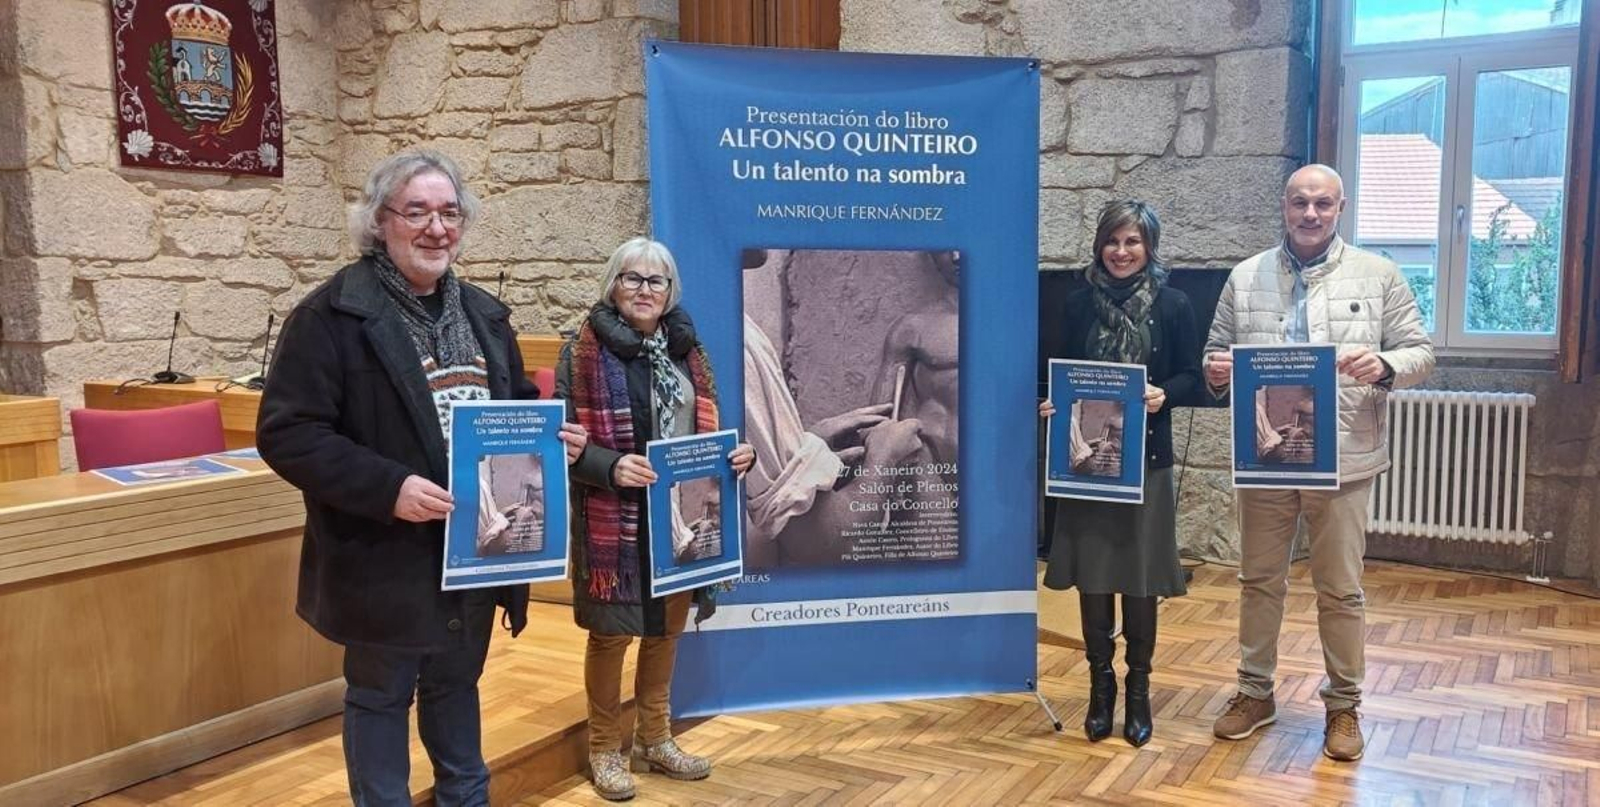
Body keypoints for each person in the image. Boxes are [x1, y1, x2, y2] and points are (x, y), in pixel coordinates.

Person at [257, 149, 586, 807]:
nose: (437, 228)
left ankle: (467, 799)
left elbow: (514, 403)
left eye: (449, 212)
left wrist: (554, 440)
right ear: (380, 222)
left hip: (478, 547)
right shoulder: (329, 317)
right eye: (417, 212)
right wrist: (389, 489)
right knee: (380, 696)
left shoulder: (487, 315)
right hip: (385, 554)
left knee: (456, 687)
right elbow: (288, 432)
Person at [1204, 164, 1433, 762]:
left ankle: (1344, 706)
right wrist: (1216, 370)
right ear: (1284, 205)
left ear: (1340, 208)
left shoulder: (1378, 274)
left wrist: (1384, 366)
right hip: (1266, 461)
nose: (1311, 214)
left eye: (1323, 204)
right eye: (1300, 202)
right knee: (1258, 582)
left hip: (1345, 458)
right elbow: (1214, 352)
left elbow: (1421, 352)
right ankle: (1255, 693)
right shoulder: (1244, 275)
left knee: (1339, 588)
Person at [557, 236, 755, 802]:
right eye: (633, 278)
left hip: (680, 522)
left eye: (657, 281)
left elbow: (706, 432)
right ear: (612, 285)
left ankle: (654, 739)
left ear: (671, 292)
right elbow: (563, 443)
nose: (645, 290)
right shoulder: (582, 352)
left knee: (666, 633)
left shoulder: (689, 352)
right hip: (612, 518)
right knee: (610, 635)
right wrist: (611, 466)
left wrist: (737, 456)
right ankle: (604, 748)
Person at [1038, 200, 1200, 747]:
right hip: (1085, 465)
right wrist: (1051, 405)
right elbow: (1055, 370)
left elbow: (1193, 377)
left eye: (1133, 242)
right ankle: (1100, 684)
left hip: (1146, 462)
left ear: (1148, 247)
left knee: (1139, 575)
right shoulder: (1077, 303)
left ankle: (1139, 688)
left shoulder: (1174, 305)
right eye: (1113, 241)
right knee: (1094, 571)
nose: (1122, 252)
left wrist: (1164, 394)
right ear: (1099, 246)